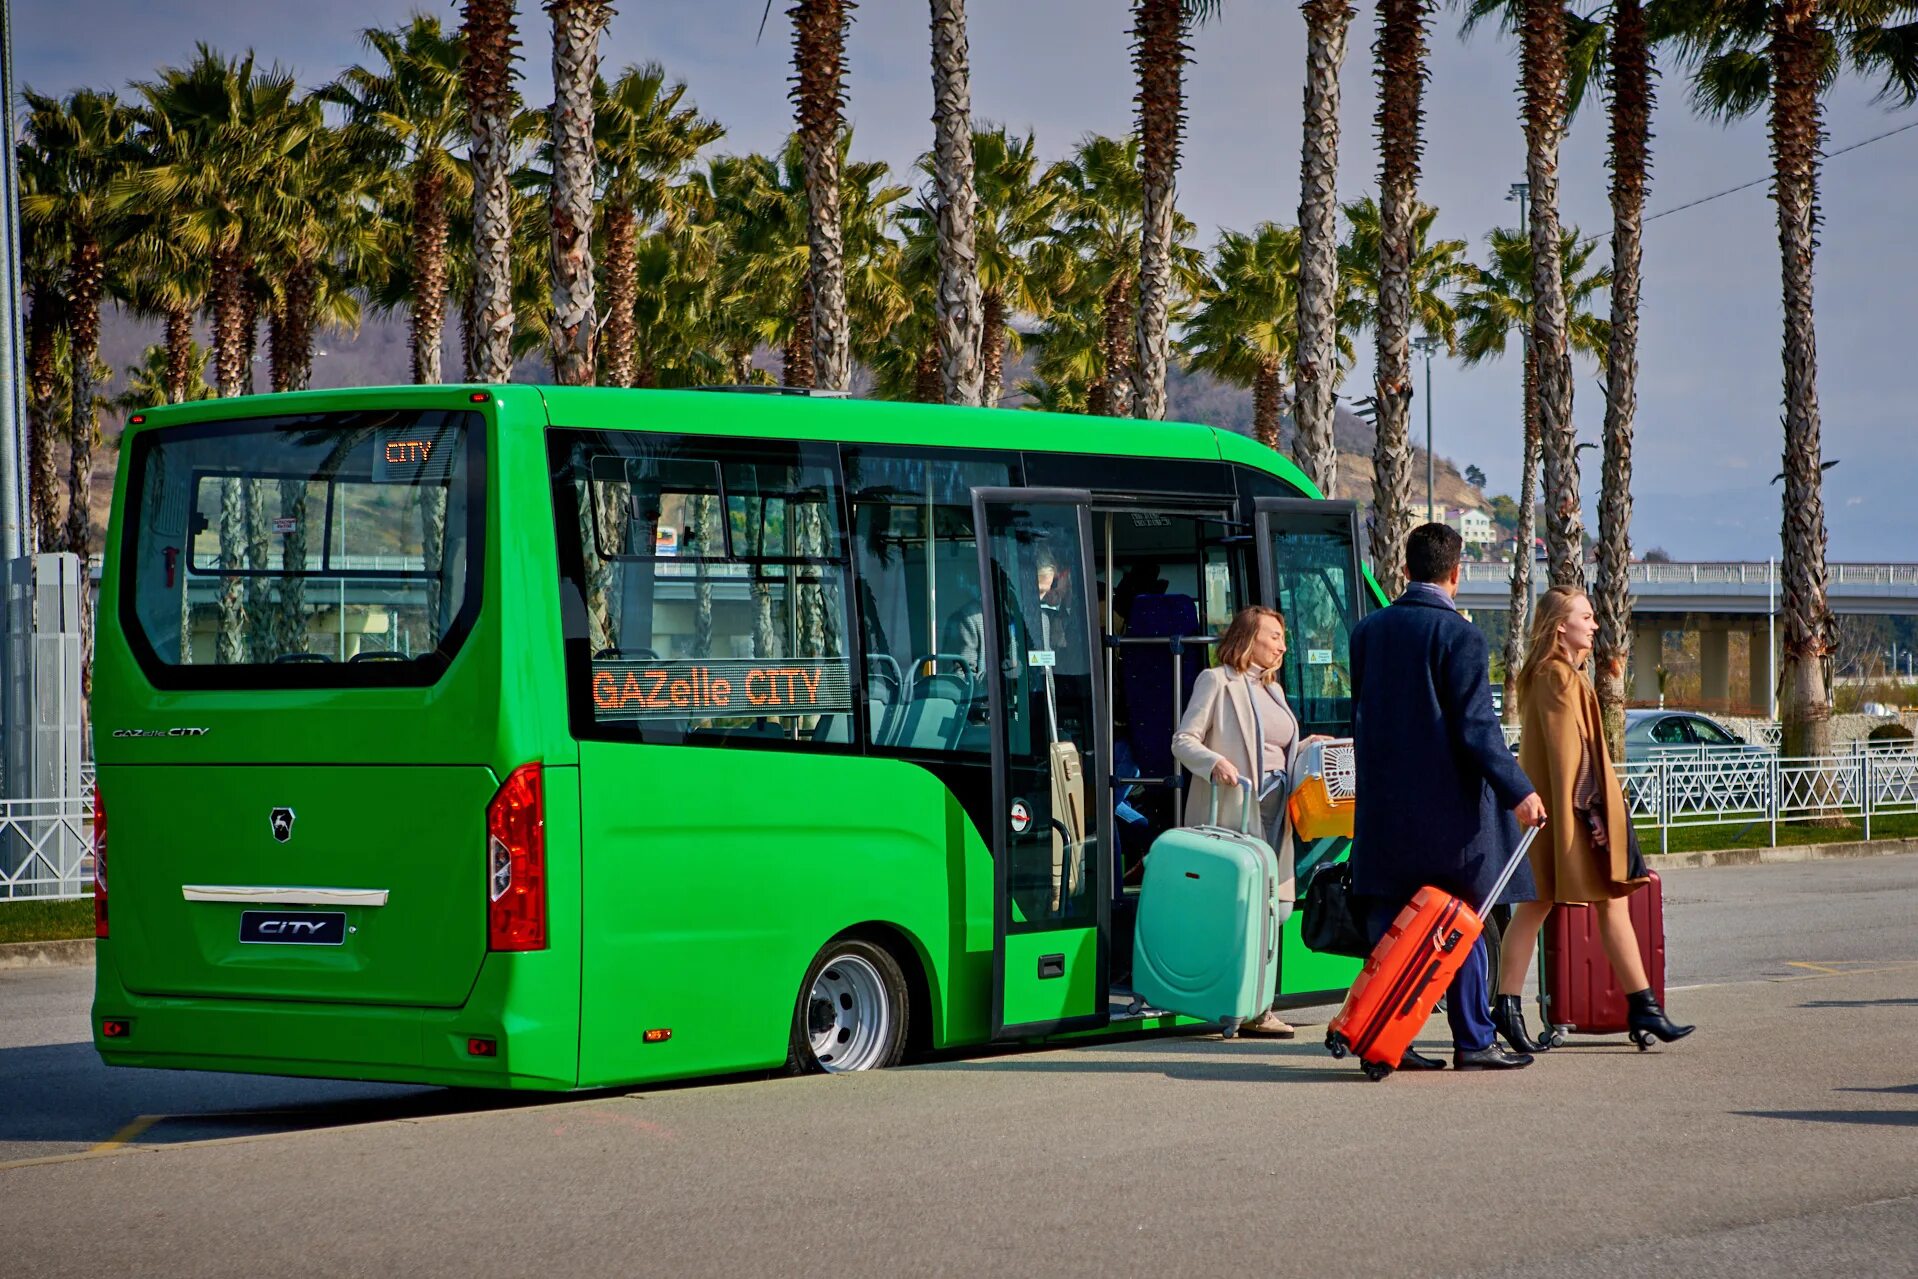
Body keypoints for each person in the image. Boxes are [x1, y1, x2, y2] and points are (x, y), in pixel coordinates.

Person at [1348, 523, 1548, 1071]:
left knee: (1390, 926)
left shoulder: (1368, 632)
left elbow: (1362, 715)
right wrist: (1520, 791)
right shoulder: (1461, 637)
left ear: (1405, 568)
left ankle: (1386, 1039)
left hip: (1386, 808)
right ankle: (1473, 1041)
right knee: (1459, 923)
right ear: (1456, 572)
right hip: (1449, 813)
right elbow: (1477, 729)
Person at [1489, 586, 1694, 1052]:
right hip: (1566, 815)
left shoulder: (1552, 675)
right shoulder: (1558, 677)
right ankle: (1638, 1007)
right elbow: (1572, 757)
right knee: (1558, 903)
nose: (1595, 624)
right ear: (1562, 625)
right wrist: (1593, 812)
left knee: (1568, 903)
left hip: (1557, 813)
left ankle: (1639, 1006)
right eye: (1587, 615)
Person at [1171, 605, 1330, 1037]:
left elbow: (1277, 752)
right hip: (1235, 813)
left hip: (1277, 814)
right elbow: (1183, 741)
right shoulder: (1216, 681)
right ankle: (1241, 1006)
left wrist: (1308, 744)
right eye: (1274, 636)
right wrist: (1214, 762)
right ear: (1249, 638)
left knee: (1275, 911)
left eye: (1282, 638)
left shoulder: (1273, 690)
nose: (1282, 645)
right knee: (1239, 912)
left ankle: (1259, 1004)